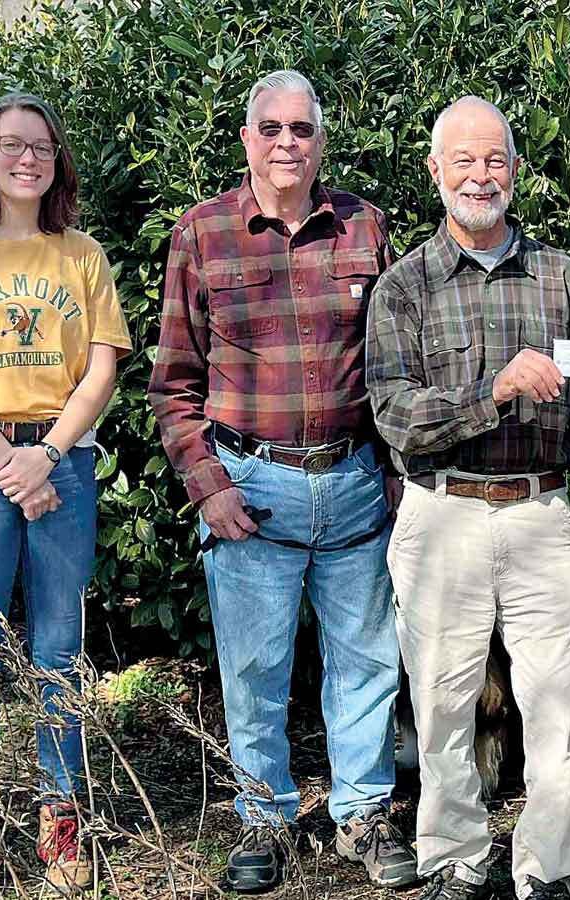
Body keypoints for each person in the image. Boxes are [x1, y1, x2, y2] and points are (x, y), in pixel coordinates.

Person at [146, 70, 416, 893]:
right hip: (250, 490)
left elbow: (401, 364)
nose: (287, 143)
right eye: (271, 129)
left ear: (321, 139)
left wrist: (403, 477)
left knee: (367, 663)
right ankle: (264, 814)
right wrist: (207, 483)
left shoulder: (366, 227)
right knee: (254, 669)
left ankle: (363, 813)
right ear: (246, 140)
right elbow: (171, 382)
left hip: (356, 484)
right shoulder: (202, 235)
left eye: (302, 128)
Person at [366, 95, 570, 900]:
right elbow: (395, 414)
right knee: (439, 701)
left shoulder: (562, 277)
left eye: (495, 159)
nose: (481, 175)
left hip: (542, 514)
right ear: (435, 171)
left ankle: (549, 870)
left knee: (556, 706)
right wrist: (494, 391)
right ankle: (455, 860)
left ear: (516, 169)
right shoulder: (404, 287)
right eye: (464, 160)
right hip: (443, 513)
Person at [0, 92, 132, 897]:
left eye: (43, 148)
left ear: (59, 163)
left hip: (64, 463)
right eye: (13, 145)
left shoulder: (80, 254)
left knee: (59, 649)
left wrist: (44, 456)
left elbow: (102, 368)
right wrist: (7, 464)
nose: (28, 159)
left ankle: (61, 817)